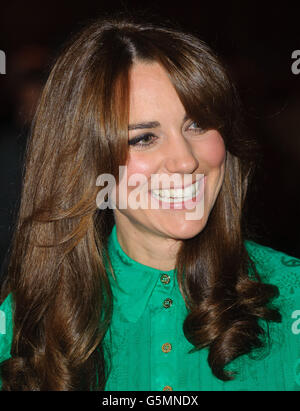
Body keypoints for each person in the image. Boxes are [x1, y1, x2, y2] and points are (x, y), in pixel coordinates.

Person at [0, 14, 299, 391]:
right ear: (84, 160)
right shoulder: (21, 325)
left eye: (197, 125)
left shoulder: (292, 297)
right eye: (143, 138)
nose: (186, 160)